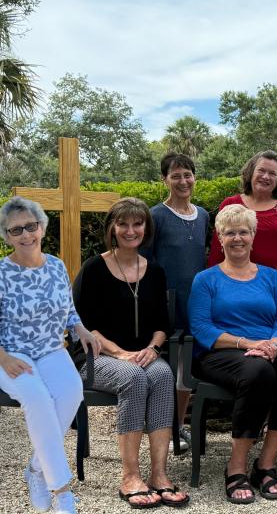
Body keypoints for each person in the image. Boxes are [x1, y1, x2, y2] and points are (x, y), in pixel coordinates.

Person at [189, 204, 277, 504]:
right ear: (220, 238)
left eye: (243, 232)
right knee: (258, 372)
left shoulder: (271, 276)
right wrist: (248, 344)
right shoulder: (205, 279)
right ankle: (236, 467)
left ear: (253, 236)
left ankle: (265, 464)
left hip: (270, 346)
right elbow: (201, 328)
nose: (237, 238)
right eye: (230, 233)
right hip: (221, 351)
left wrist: (274, 344)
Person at [73, 197, 188, 508]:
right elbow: (81, 324)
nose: (130, 230)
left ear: (146, 229)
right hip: (95, 357)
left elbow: (162, 324)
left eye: (137, 224)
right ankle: (130, 477)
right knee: (134, 377)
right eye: (122, 224)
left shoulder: (155, 271)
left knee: (163, 374)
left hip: (141, 355)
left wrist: (153, 348)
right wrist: (119, 352)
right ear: (112, 228)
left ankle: (159, 474)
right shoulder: (94, 267)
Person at [0, 196, 100, 514]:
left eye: (31, 226)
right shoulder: (1, 272)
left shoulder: (56, 266)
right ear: (6, 236)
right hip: (10, 353)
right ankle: (62, 493)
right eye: (16, 230)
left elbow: (68, 311)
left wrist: (82, 330)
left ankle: (36, 468)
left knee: (72, 392)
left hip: (51, 349)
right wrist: (3, 358)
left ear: (42, 227)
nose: (25, 235)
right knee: (38, 398)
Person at [141, 151, 210, 452]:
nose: (183, 181)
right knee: (162, 368)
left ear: (194, 177)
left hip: (195, 304)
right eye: (175, 175)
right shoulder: (155, 216)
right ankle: (159, 426)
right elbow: (144, 262)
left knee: (185, 368)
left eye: (188, 175)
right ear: (164, 180)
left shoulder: (204, 215)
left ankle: (178, 426)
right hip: (165, 304)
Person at [207, 150, 277, 329]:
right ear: (251, 172)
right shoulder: (230, 204)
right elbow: (217, 246)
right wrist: (212, 284)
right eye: (261, 170)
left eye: (272, 173)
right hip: (236, 289)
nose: (266, 177)